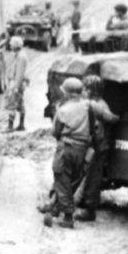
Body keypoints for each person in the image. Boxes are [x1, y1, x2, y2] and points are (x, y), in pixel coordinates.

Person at [45, 77, 93, 229]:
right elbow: (93, 127)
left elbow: (55, 132)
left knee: (61, 179)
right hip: (82, 149)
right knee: (73, 180)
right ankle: (56, 207)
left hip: (66, 148)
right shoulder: (88, 106)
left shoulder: (62, 109)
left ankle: (67, 217)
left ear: (69, 94)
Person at [75, 75, 118, 222]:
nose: (83, 91)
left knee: (93, 178)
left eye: (86, 89)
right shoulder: (95, 103)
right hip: (94, 145)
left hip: (99, 148)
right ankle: (82, 201)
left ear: (92, 91)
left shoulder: (98, 105)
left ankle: (90, 210)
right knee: (86, 175)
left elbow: (111, 119)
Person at [4, 36, 28, 132]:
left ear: (15, 45)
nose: (10, 45)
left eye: (11, 44)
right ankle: (21, 125)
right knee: (20, 103)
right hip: (16, 82)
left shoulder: (21, 57)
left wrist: (15, 87)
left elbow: (20, 74)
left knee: (12, 103)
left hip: (16, 82)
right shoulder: (17, 55)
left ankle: (10, 126)